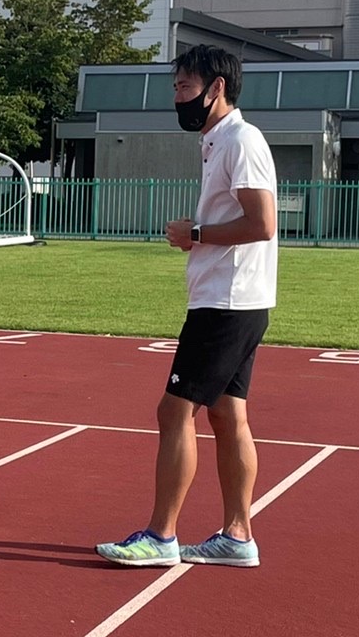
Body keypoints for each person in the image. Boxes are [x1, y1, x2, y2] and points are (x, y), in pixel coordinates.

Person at [97, 45, 276, 567]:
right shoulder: (218, 140)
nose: (176, 97)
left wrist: (195, 233)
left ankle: (162, 535)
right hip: (234, 298)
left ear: (215, 88)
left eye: (183, 87)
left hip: (228, 301)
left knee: (175, 410)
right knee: (227, 415)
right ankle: (237, 537)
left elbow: (262, 223)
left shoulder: (240, 139)